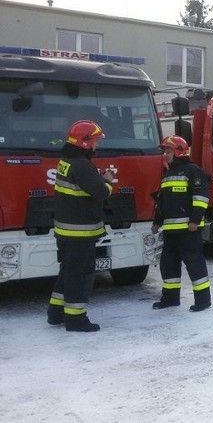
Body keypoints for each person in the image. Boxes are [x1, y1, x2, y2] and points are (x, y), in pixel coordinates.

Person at [48, 120, 113, 332]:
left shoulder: (66, 161)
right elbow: (101, 194)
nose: (97, 146)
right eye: (95, 141)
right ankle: (76, 319)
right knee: (80, 275)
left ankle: (56, 313)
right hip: (80, 232)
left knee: (67, 272)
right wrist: (108, 181)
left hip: (66, 230)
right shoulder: (82, 165)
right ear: (85, 143)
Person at [151, 136, 212, 311]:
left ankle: (203, 301)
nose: (165, 155)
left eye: (168, 151)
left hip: (188, 230)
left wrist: (195, 220)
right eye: (164, 152)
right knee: (168, 265)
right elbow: (162, 203)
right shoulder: (168, 174)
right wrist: (157, 222)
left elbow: (201, 198)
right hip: (171, 232)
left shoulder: (193, 171)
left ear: (178, 151)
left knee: (195, 265)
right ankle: (170, 298)